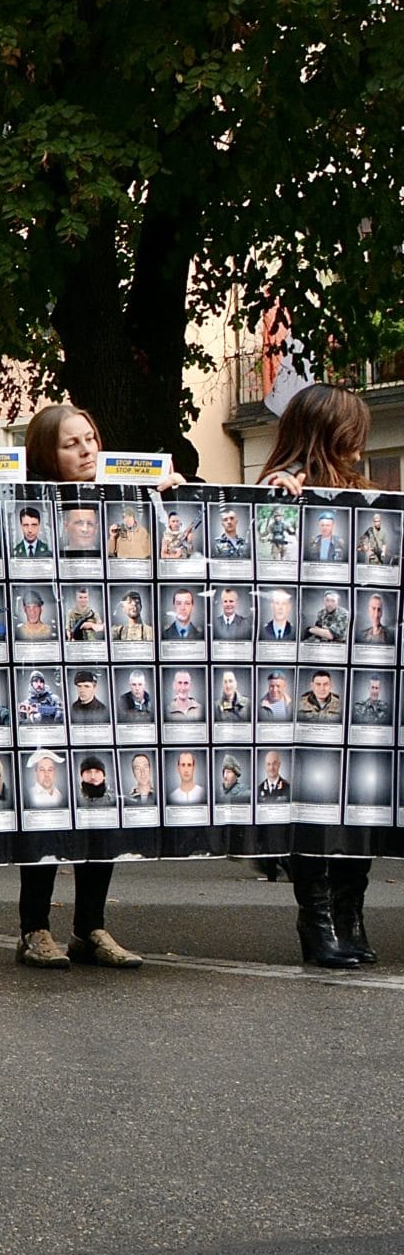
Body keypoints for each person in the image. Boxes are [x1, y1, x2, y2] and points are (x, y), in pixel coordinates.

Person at [10, 404, 157, 972]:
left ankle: (90, 926)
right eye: (71, 443)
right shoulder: (24, 509)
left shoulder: (123, 505)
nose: (86, 450)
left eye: (91, 438)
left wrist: (167, 489)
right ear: (48, 453)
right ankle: (34, 929)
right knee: (47, 801)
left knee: (101, 797)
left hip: (106, 681)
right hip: (45, 678)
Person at [263, 383, 382, 963]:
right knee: (312, 802)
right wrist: (279, 508)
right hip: (302, 679)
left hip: (359, 673)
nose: (361, 443)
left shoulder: (362, 499)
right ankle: (317, 923)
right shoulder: (277, 492)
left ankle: (349, 914)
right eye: (352, 432)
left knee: (362, 796)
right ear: (329, 432)